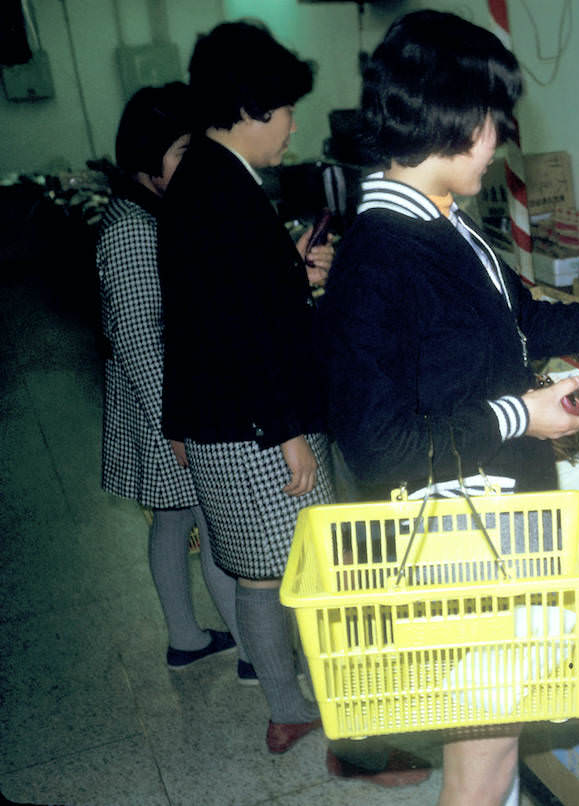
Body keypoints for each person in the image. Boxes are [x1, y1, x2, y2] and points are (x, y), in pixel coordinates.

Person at [319, 11, 579, 805]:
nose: (501, 137)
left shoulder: (438, 224)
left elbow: (523, 317)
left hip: (494, 524)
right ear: (457, 117)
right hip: (456, 544)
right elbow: (379, 444)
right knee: (481, 761)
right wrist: (520, 416)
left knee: (495, 748)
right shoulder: (381, 256)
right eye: (494, 119)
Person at [156, 21, 334, 756]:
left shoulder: (206, 178)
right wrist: (288, 430)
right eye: (287, 109)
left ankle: (288, 704)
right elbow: (238, 329)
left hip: (225, 419)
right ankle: (317, 710)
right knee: (307, 568)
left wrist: (289, 267)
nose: (294, 125)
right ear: (254, 108)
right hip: (258, 424)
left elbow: (215, 304)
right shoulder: (219, 193)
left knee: (263, 572)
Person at [97, 82, 248, 678]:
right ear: (146, 155)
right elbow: (140, 338)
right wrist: (179, 422)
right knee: (210, 527)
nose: (193, 162)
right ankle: (252, 649)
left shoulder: (146, 212)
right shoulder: (132, 230)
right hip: (164, 405)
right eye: (183, 149)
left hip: (163, 403)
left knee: (175, 520)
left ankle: (187, 638)